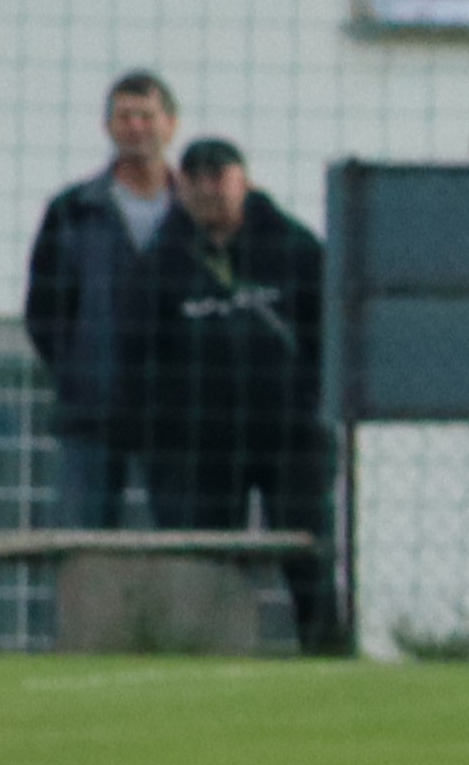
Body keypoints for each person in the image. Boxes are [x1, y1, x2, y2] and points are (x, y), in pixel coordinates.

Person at [138, 137, 341, 654]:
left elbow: (332, 336)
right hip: (198, 441)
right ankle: (207, 658)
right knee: (205, 565)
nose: (208, 189)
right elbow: (141, 351)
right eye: (196, 179)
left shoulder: (296, 248)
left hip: (291, 434)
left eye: (219, 176)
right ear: (180, 187)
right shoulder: (160, 260)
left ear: (243, 181)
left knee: (309, 555)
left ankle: (328, 655)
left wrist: (314, 403)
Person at [27, 73, 185, 529]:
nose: (135, 127)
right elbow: (44, 309)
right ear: (108, 126)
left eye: (146, 116)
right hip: (91, 411)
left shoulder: (196, 212)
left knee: (185, 542)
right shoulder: (73, 209)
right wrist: (77, 368)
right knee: (83, 541)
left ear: (171, 125)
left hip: (181, 414)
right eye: (124, 116)